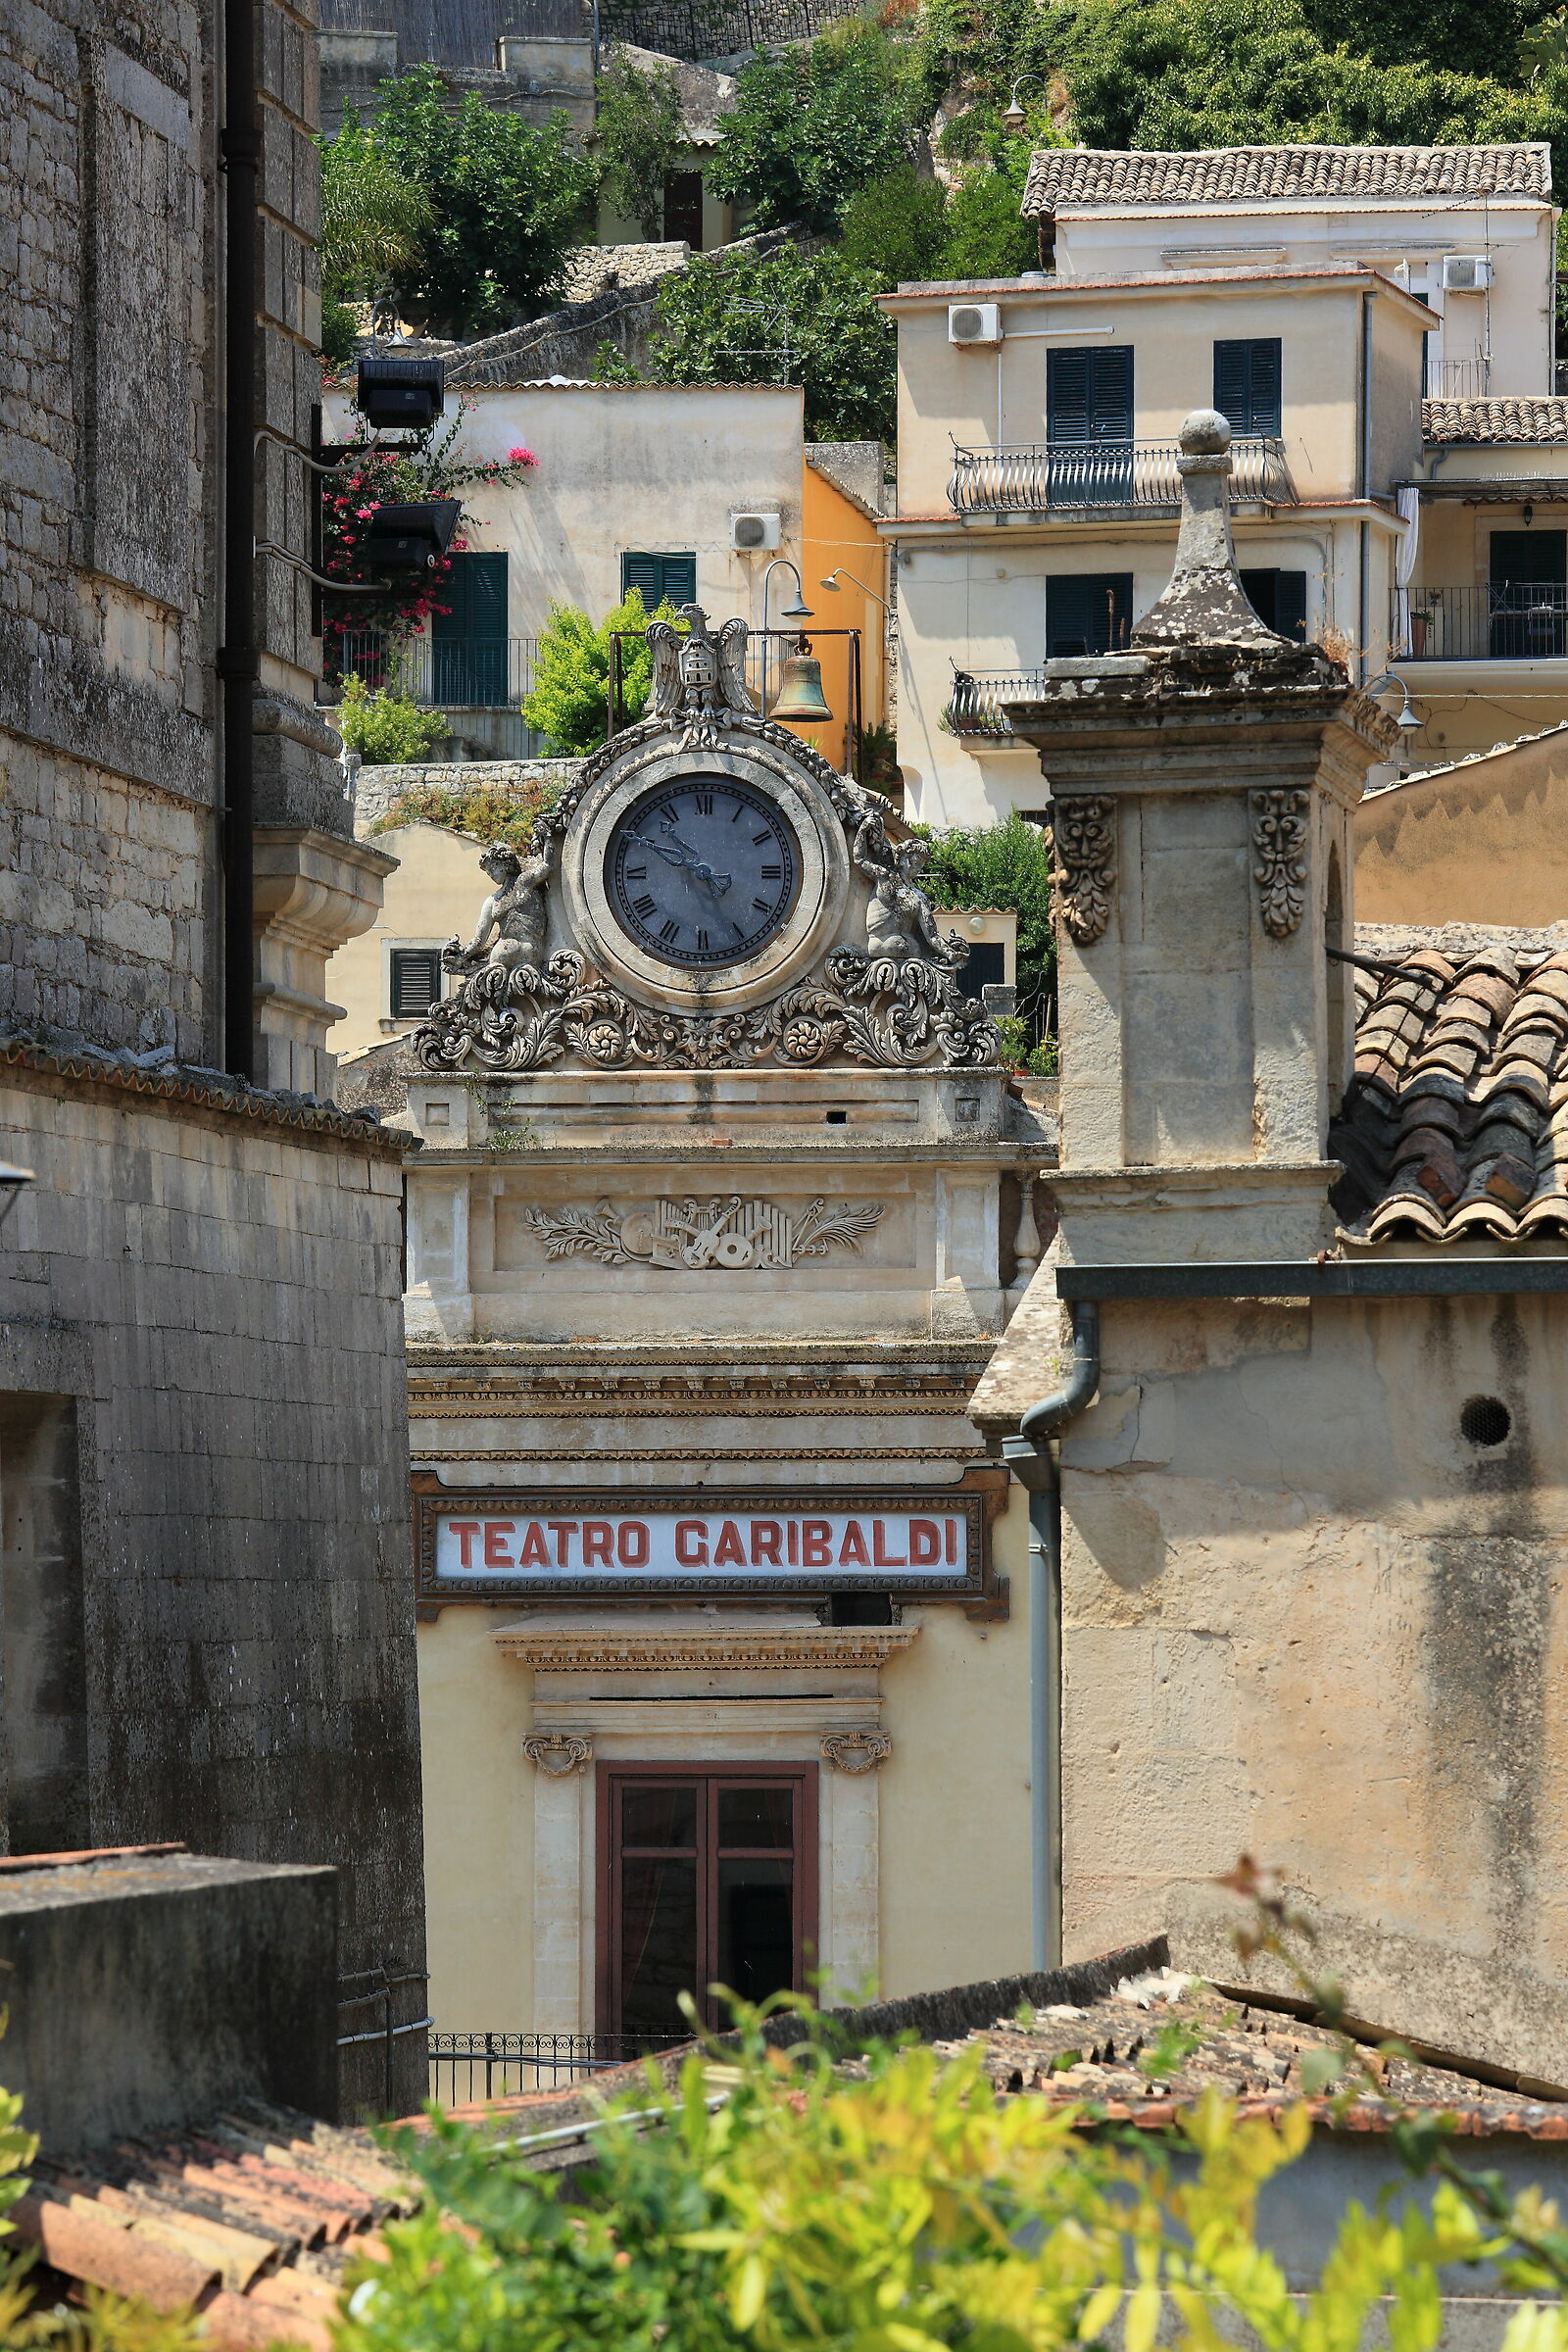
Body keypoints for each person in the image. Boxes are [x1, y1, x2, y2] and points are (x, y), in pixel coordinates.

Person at [443, 842, 550, 976]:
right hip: (499, 959)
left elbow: (547, 866)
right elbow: (479, 940)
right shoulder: (492, 900)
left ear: (506, 865)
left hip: (531, 953)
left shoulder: (525, 881)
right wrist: (459, 958)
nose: (491, 875)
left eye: (493, 868)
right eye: (488, 873)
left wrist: (548, 837)